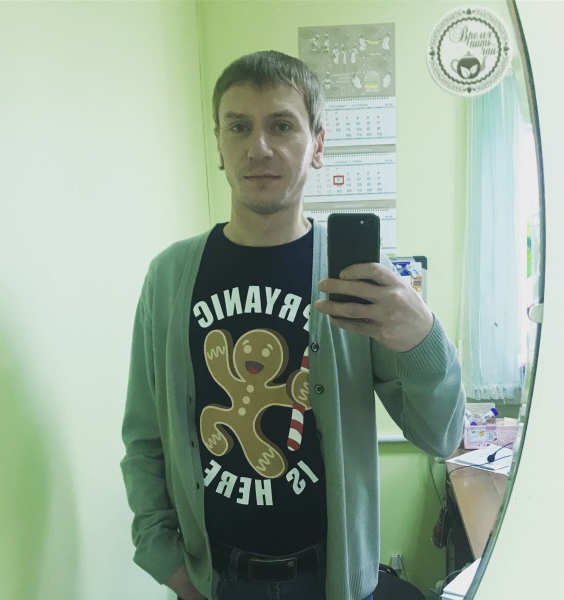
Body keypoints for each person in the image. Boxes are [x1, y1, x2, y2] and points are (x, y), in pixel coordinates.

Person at [120, 50, 465, 600]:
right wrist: (163, 557)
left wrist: (423, 337)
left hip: (329, 580)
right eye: (239, 126)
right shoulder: (169, 277)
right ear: (219, 144)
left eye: (281, 125)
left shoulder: (357, 282)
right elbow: (144, 438)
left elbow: (441, 436)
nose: (258, 147)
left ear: (317, 145)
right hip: (214, 580)